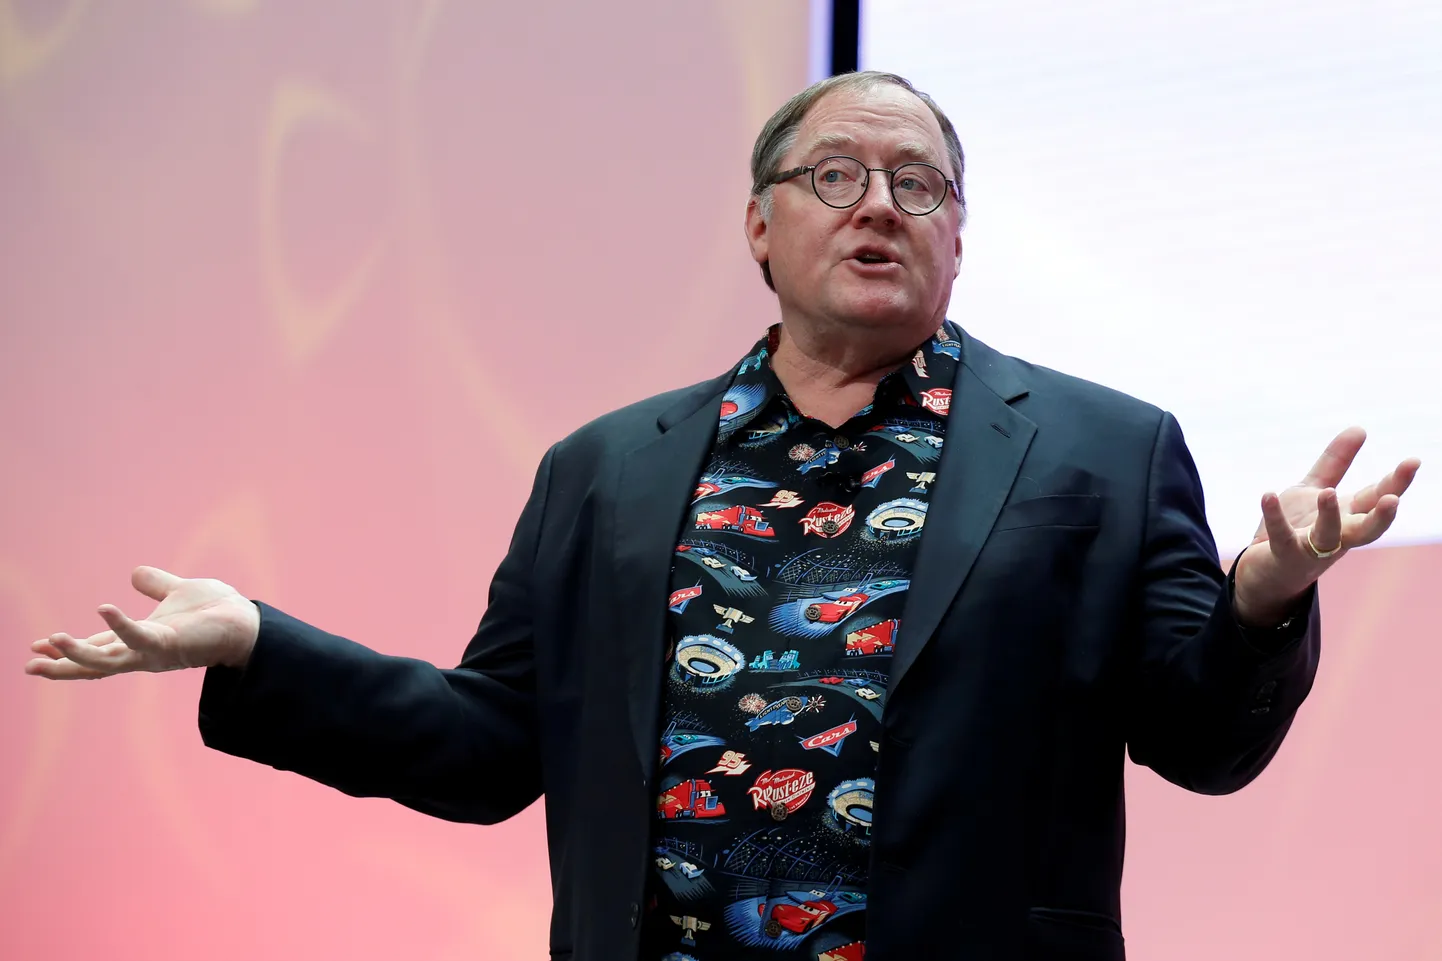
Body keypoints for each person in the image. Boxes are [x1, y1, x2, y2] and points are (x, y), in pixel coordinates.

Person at [24, 71, 1420, 961]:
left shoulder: (1098, 451)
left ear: (955, 233)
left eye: (916, 184)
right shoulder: (606, 468)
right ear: (760, 226)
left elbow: (1200, 743)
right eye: (835, 176)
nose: (876, 204)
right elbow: (491, 746)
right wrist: (261, 647)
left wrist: (1258, 600)